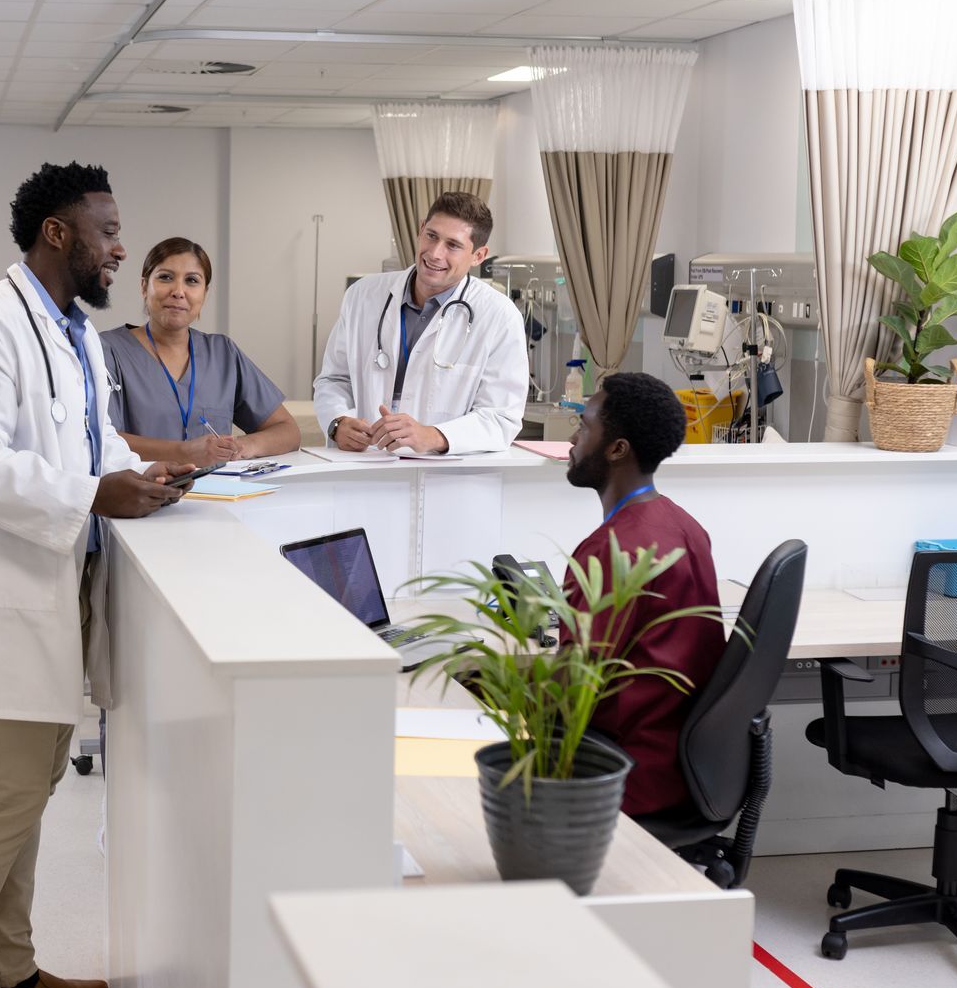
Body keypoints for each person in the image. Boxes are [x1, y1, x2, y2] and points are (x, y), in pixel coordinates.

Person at [0, 162, 191, 988]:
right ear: (59, 233)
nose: (121, 249)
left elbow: (91, 434)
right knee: (7, 793)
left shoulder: (70, 330)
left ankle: (10, 970)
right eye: (108, 232)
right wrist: (90, 494)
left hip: (54, 583)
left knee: (27, 787)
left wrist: (136, 472)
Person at [561, 371, 723, 817]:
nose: (573, 440)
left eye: (585, 426)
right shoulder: (684, 526)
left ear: (617, 449)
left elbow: (574, 689)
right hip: (686, 765)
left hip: (626, 772)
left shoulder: (609, 552)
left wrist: (482, 683)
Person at [313, 191, 527, 456]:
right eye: (432, 236)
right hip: (364, 468)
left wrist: (434, 436)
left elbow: (501, 417)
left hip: (446, 481)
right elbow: (333, 379)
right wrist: (338, 422)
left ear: (478, 255)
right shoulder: (363, 296)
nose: (435, 253)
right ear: (420, 230)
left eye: (453, 245)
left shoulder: (499, 317)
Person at [101, 237, 300, 465]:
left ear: (204, 293)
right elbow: (101, 440)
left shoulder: (222, 353)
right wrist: (185, 452)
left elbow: (288, 430)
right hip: (143, 493)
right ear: (144, 286)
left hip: (217, 493)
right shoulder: (108, 350)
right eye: (165, 277)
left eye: (192, 281)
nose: (178, 291)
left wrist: (242, 446)